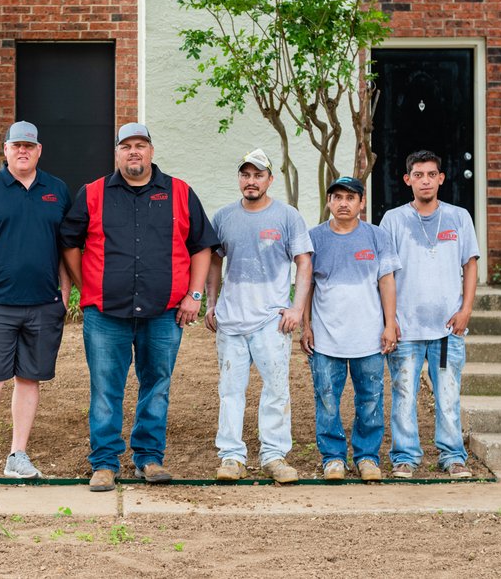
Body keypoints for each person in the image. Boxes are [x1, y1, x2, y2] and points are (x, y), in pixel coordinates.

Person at [61, 122, 219, 492]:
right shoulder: (93, 193)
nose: (134, 152)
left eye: (141, 145)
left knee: (157, 385)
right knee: (105, 388)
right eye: (127, 146)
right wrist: (86, 289)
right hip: (106, 315)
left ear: (151, 152)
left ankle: (149, 458)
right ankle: (104, 462)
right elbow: (69, 242)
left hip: (164, 313)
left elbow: (201, 246)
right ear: (116, 153)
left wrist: (194, 296)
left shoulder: (180, 192)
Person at [0, 121, 72, 492]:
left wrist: (64, 296)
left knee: (29, 379)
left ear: (39, 151)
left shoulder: (57, 190)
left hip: (42, 304)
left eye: (29, 146)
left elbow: (67, 247)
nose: (23, 151)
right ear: (5, 150)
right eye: (16, 145)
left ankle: (17, 455)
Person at [205, 148, 312, 483]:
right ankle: (231, 457)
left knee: (276, 389)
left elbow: (304, 262)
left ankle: (274, 455)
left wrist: (296, 308)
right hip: (231, 321)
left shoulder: (287, 217)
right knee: (230, 390)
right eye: (245, 175)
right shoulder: (223, 217)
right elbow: (213, 260)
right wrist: (212, 303)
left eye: (258, 175)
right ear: (240, 178)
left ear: (270, 179)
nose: (251, 181)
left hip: (271, 321)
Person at [379, 150, 479, 479]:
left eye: (431, 174)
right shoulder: (393, 220)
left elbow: (470, 265)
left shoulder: (459, 217)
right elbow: (386, 274)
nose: (425, 180)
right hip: (407, 329)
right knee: (404, 393)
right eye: (418, 175)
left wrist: (466, 310)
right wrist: (390, 321)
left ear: (441, 178)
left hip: (447, 331)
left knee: (447, 392)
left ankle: (452, 456)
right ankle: (405, 457)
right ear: (407, 179)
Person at [300, 176, 400, 482]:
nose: (344, 203)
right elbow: (306, 285)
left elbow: (386, 282)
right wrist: (305, 326)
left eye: (350, 197)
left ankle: (367, 457)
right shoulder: (313, 238)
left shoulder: (377, 236)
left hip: (368, 337)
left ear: (362, 202)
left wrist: (390, 324)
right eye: (338, 197)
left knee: (370, 398)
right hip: (326, 338)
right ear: (329, 201)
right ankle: (333, 458)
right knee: (327, 398)